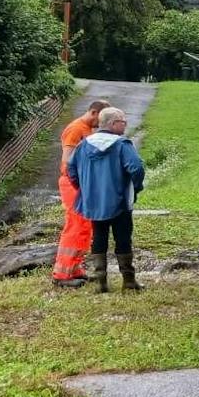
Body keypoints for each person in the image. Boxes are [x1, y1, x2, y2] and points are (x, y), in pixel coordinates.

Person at [66, 106, 146, 293]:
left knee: (99, 237)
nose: (125, 125)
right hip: (119, 201)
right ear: (112, 124)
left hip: (94, 202)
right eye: (122, 122)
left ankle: (101, 282)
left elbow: (71, 169)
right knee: (123, 238)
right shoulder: (122, 145)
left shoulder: (84, 145)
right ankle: (128, 281)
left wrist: (84, 189)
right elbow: (137, 168)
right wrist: (136, 187)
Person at [50, 98, 112, 288]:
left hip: (80, 184)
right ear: (93, 112)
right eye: (100, 119)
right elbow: (68, 161)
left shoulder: (87, 130)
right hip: (72, 184)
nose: (100, 125)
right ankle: (62, 274)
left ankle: (74, 268)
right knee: (76, 225)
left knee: (85, 226)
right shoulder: (76, 129)